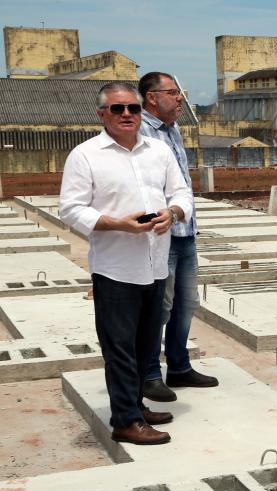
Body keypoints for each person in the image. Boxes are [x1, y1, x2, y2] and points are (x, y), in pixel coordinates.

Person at [59, 81, 193, 445]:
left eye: (133, 108)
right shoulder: (86, 155)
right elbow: (70, 208)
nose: (127, 115)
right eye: (117, 109)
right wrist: (118, 224)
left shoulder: (158, 151)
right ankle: (125, 421)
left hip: (154, 264)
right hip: (116, 268)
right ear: (102, 114)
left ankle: (135, 407)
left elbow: (181, 192)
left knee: (146, 345)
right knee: (119, 348)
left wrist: (174, 212)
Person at [138, 71, 218, 403]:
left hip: (185, 230)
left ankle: (179, 366)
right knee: (160, 307)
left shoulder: (174, 130)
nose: (180, 98)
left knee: (187, 303)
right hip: (161, 234)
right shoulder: (138, 131)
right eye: (173, 92)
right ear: (152, 97)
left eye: (180, 92)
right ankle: (149, 373)